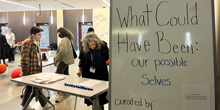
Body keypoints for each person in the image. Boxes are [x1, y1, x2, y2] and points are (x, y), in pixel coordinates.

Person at [20, 26, 53, 110]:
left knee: (35, 88)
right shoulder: (27, 43)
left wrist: (42, 59)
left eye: (41, 34)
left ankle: (26, 104)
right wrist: (26, 74)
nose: (40, 36)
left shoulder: (37, 42)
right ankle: (42, 104)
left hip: (37, 69)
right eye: (39, 34)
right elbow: (24, 60)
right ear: (33, 34)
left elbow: (36, 55)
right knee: (34, 87)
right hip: (30, 71)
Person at [77, 32, 109, 110]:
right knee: (91, 93)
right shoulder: (84, 48)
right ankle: (94, 107)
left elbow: (107, 59)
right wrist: (79, 70)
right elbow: (81, 60)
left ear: (96, 43)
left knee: (101, 94)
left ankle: (101, 107)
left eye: (93, 45)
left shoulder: (103, 47)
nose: (91, 47)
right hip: (88, 73)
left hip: (101, 73)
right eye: (89, 45)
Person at [54, 27, 75, 103]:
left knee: (57, 75)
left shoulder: (65, 40)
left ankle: (58, 94)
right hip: (67, 60)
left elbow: (63, 51)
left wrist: (56, 57)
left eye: (59, 33)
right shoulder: (69, 39)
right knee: (66, 74)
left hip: (63, 60)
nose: (58, 35)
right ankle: (66, 90)